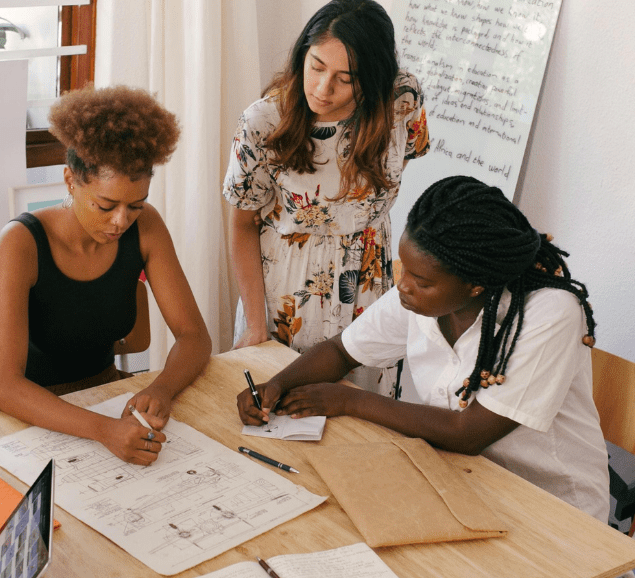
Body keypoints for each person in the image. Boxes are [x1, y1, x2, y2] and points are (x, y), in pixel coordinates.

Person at [237, 176, 610, 522]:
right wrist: (277, 385)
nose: (403, 286)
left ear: (476, 284)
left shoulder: (549, 313)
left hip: (553, 510)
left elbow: (468, 433)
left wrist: (350, 400)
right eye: (406, 271)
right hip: (463, 481)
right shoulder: (421, 297)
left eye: (421, 281)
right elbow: (341, 351)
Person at [0, 85, 212, 466]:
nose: (121, 221)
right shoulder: (20, 243)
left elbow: (195, 336)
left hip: (104, 398)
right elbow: (5, 387)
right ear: (70, 181)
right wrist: (104, 430)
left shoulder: (146, 227)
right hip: (25, 414)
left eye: (135, 205)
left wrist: (162, 388)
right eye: (106, 206)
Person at [223, 0, 431, 398]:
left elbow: (396, 167)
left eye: (345, 78)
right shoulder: (263, 121)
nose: (322, 88)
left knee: (364, 414)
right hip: (289, 290)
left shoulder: (401, 100)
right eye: (316, 66)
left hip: (370, 282)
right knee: (282, 407)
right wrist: (256, 323)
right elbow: (242, 224)